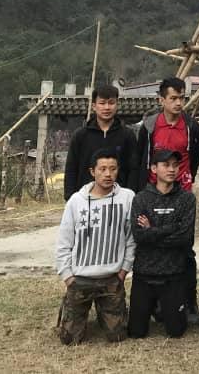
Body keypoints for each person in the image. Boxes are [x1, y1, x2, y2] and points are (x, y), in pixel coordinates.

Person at [134, 76, 199, 323]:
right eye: (173, 98)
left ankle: (190, 300)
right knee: (151, 243)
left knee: (184, 249)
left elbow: (196, 154)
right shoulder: (150, 126)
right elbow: (141, 156)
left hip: (181, 194)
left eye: (182, 98)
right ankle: (152, 300)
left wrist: (186, 179)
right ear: (161, 99)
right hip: (154, 192)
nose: (178, 103)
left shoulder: (191, 126)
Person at [55, 148, 136, 345]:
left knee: (116, 336)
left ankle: (106, 312)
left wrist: (123, 271)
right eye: (102, 169)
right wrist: (68, 276)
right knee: (70, 339)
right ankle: (70, 310)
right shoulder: (76, 201)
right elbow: (64, 241)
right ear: (92, 171)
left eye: (113, 169)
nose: (108, 174)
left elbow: (131, 239)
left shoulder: (127, 198)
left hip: (111, 278)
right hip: (80, 278)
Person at [127, 149, 196, 339]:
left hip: (174, 273)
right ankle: (154, 308)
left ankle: (164, 309)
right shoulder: (141, 198)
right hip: (145, 272)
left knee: (176, 331)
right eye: (166, 165)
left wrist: (152, 230)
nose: (172, 169)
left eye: (175, 165)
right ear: (154, 168)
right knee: (136, 332)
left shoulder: (186, 198)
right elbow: (139, 236)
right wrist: (171, 227)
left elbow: (184, 237)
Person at [64, 84, 138, 199]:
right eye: (102, 103)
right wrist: (70, 196)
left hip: (119, 199)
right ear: (94, 106)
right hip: (86, 199)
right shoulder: (81, 136)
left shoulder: (127, 135)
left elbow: (133, 170)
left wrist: (131, 196)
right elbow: (71, 168)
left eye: (111, 103)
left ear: (117, 105)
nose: (107, 107)